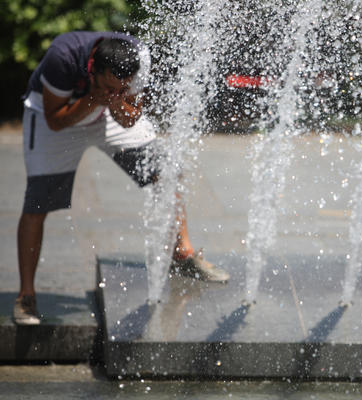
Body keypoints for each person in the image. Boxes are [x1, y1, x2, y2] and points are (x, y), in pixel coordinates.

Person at [14, 31, 229, 325]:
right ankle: (26, 296)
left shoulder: (138, 60)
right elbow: (56, 120)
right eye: (109, 86)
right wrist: (93, 99)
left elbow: (130, 118)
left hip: (100, 112)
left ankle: (182, 255)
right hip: (56, 118)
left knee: (165, 173)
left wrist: (113, 102)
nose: (117, 91)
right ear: (93, 70)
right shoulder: (62, 58)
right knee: (37, 204)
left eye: (122, 88)